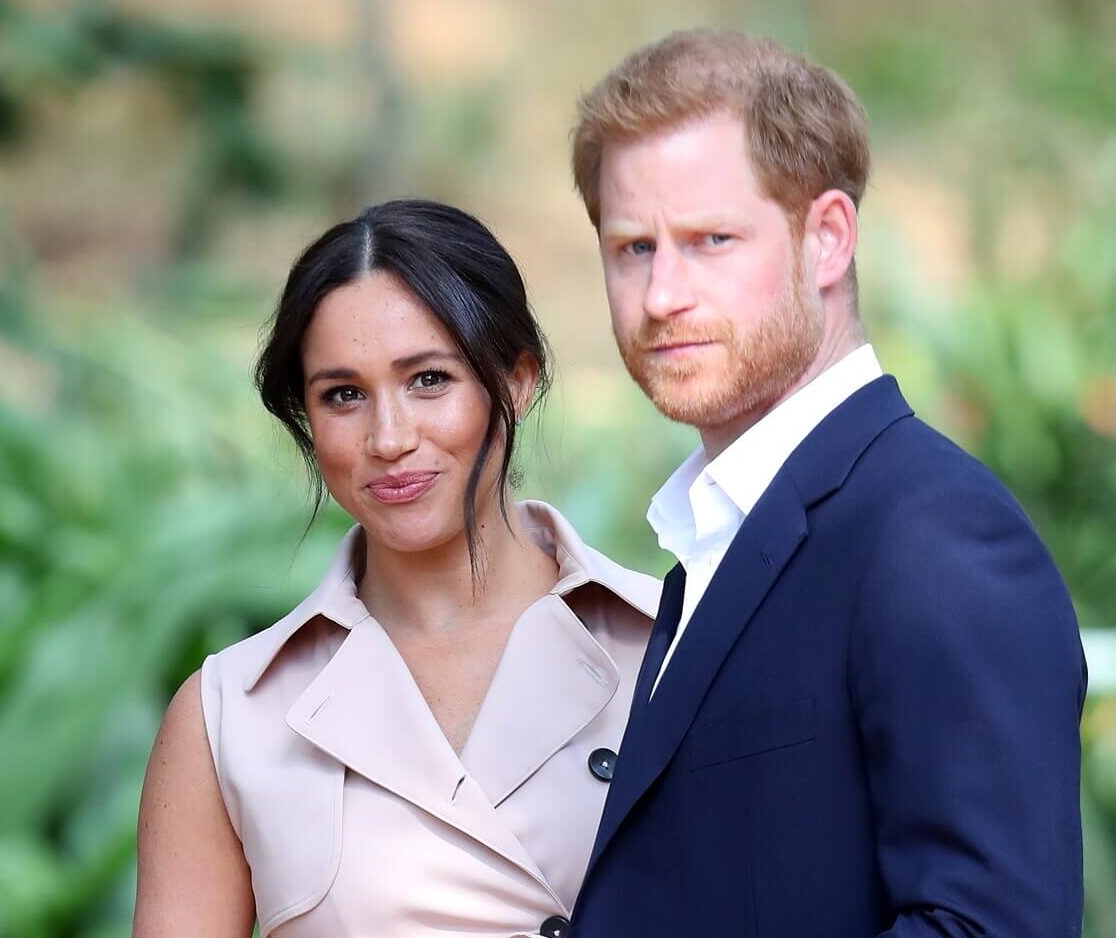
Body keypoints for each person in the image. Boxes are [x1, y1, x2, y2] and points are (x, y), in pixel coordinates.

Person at [566, 29, 1087, 937]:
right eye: (632, 249)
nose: (660, 296)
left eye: (709, 240)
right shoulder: (719, 535)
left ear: (828, 239)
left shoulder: (934, 535)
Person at [133, 199, 659, 938]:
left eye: (429, 380)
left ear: (516, 382)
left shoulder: (673, 646)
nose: (388, 437)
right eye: (343, 395)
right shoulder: (231, 716)